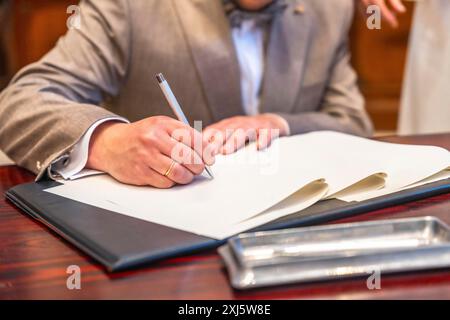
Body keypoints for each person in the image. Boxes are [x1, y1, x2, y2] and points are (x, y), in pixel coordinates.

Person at [0, 0, 373, 188]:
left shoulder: (331, 7)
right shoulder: (131, 7)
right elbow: (18, 104)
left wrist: (278, 123)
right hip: (163, 250)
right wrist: (105, 141)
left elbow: (354, 124)